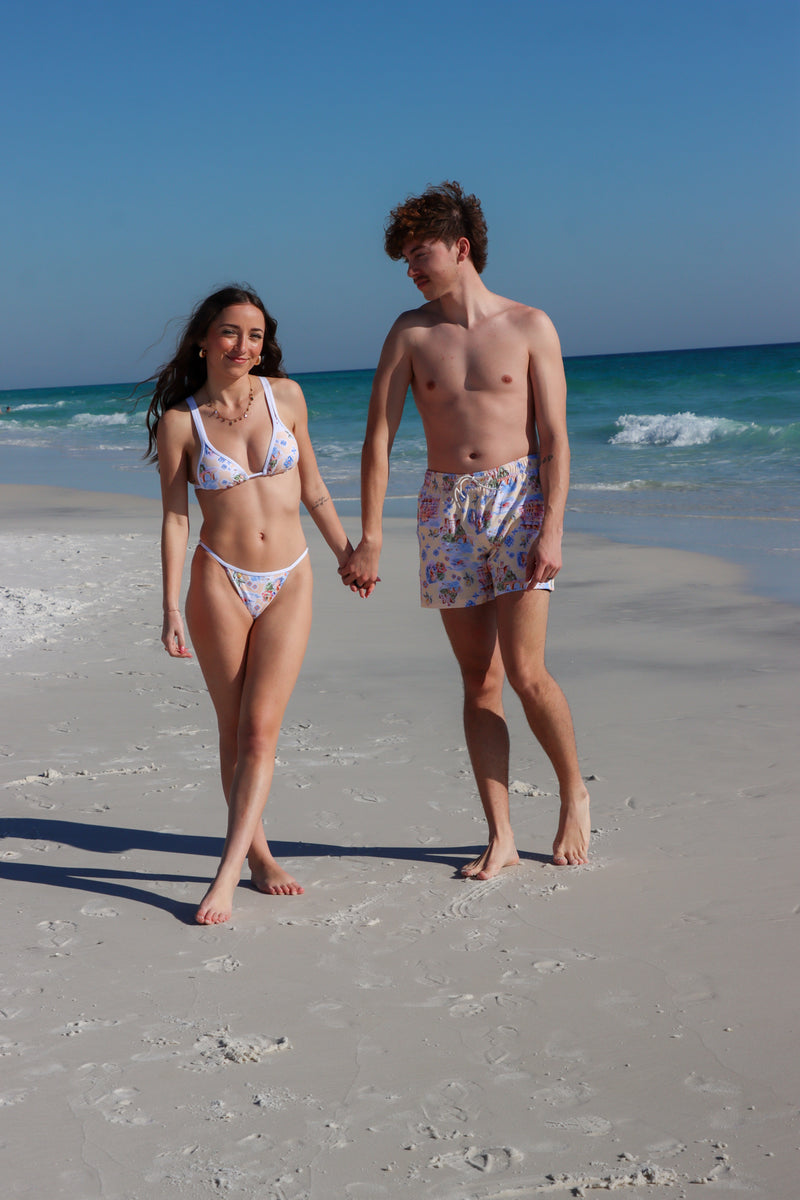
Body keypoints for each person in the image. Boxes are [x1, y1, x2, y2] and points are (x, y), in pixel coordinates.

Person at [341, 182, 590, 878]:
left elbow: (556, 439)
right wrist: (370, 537)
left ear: (462, 248)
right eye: (405, 262)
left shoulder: (531, 325)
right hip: (444, 510)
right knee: (478, 680)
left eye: (420, 256)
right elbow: (377, 440)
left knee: (527, 671)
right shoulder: (410, 332)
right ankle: (502, 834)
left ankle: (573, 795)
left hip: (519, 503)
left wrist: (553, 529)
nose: (412, 271)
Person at [146, 285, 364, 924]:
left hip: (290, 577)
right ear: (203, 339)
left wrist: (348, 552)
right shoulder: (180, 422)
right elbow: (174, 519)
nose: (244, 346)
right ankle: (260, 855)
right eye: (231, 333)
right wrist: (169, 606)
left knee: (261, 729)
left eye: (256, 336)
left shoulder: (287, 397)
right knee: (233, 729)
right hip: (220, 580)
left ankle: (226, 871)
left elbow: (314, 488)